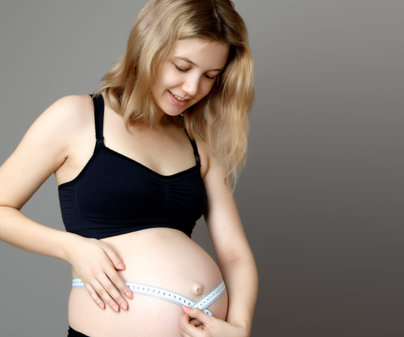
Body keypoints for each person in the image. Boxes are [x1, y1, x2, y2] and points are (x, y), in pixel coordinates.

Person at [0, 0, 258, 336]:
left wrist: (239, 327)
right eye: (182, 67)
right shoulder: (76, 118)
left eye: (210, 76)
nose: (193, 88)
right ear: (147, 48)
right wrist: (72, 248)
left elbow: (235, 253)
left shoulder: (199, 146)